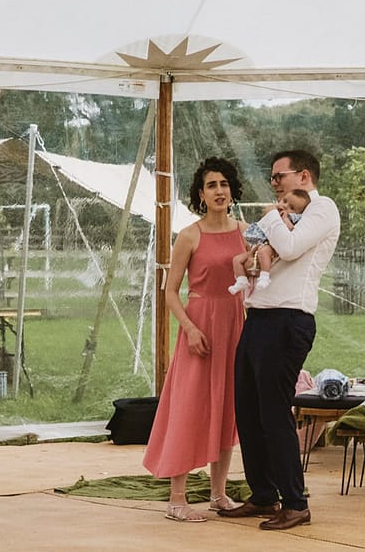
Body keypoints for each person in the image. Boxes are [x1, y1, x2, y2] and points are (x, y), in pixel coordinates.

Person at [217, 149, 340, 532]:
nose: (273, 185)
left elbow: (288, 247)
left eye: (278, 177)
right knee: (248, 409)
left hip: (289, 318)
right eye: (273, 179)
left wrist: (272, 216)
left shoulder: (322, 209)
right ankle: (264, 493)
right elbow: (268, 256)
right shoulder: (284, 216)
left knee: (272, 410)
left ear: (303, 176)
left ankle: (295, 501)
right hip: (259, 313)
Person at [142, 156, 246, 522]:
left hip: (235, 324)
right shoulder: (190, 234)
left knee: (227, 409)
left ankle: (219, 493)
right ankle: (177, 498)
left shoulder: (245, 231)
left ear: (232, 190)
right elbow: (170, 291)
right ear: (200, 194)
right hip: (200, 325)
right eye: (211, 185)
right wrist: (188, 328)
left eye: (224, 184)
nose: (219, 191)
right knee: (189, 407)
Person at [227, 187, 311, 295]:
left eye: (291, 207)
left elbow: (290, 230)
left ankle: (265, 276)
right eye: (284, 201)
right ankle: (241, 280)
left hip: (270, 246)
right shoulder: (272, 212)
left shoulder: (289, 218)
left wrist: (285, 219)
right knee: (237, 259)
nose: (285, 206)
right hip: (259, 245)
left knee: (264, 252)